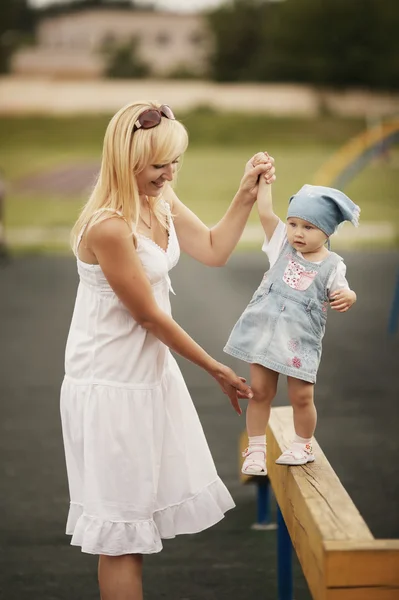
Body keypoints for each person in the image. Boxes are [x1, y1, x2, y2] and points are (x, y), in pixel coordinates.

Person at [60, 101, 275, 600]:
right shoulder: (109, 227)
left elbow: (216, 250)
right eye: (159, 165)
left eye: (175, 161)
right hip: (111, 387)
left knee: (136, 527)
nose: (169, 173)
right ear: (125, 158)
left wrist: (245, 193)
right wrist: (217, 369)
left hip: (146, 377)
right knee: (121, 540)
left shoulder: (159, 200)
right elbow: (149, 317)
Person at [224, 157, 359, 475]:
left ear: (326, 232)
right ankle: (256, 451)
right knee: (260, 392)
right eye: (294, 224)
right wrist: (264, 181)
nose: (297, 233)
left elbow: (345, 290)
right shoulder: (280, 244)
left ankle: (302, 444)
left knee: (301, 396)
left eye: (308, 227)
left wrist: (349, 296)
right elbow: (265, 212)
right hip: (264, 331)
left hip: (299, 339)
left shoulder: (332, 265)